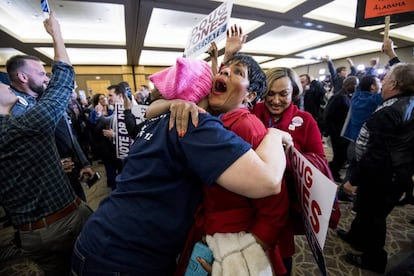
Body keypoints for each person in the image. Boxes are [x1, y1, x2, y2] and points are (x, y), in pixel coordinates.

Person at [71, 57, 291, 275]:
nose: (223, 74)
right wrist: (275, 134)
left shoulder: (165, 117)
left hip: (98, 238)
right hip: (128, 257)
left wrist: (252, 246)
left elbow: (273, 199)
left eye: (236, 72)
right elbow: (268, 180)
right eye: (221, 71)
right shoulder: (196, 122)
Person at [0, 12, 92, 275]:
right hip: (60, 226)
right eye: (40, 72)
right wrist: (56, 34)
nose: (5, 86)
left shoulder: (15, 124)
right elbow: (63, 79)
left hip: (33, 232)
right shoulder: (19, 124)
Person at [338, 62, 414, 274]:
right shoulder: (408, 102)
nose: (382, 82)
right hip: (396, 174)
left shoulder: (390, 111)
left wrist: (354, 179)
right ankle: (356, 237)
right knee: (365, 209)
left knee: (374, 217)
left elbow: (376, 154)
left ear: (395, 83)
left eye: (386, 77)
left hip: (382, 176)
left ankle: (374, 259)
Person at [324, 76, 359, 182]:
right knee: (340, 156)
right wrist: (333, 132)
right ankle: (332, 172)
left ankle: (332, 171)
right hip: (337, 133)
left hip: (342, 133)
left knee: (342, 156)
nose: (357, 88)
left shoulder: (346, 96)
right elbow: (328, 115)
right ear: (349, 85)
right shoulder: (339, 97)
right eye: (355, 85)